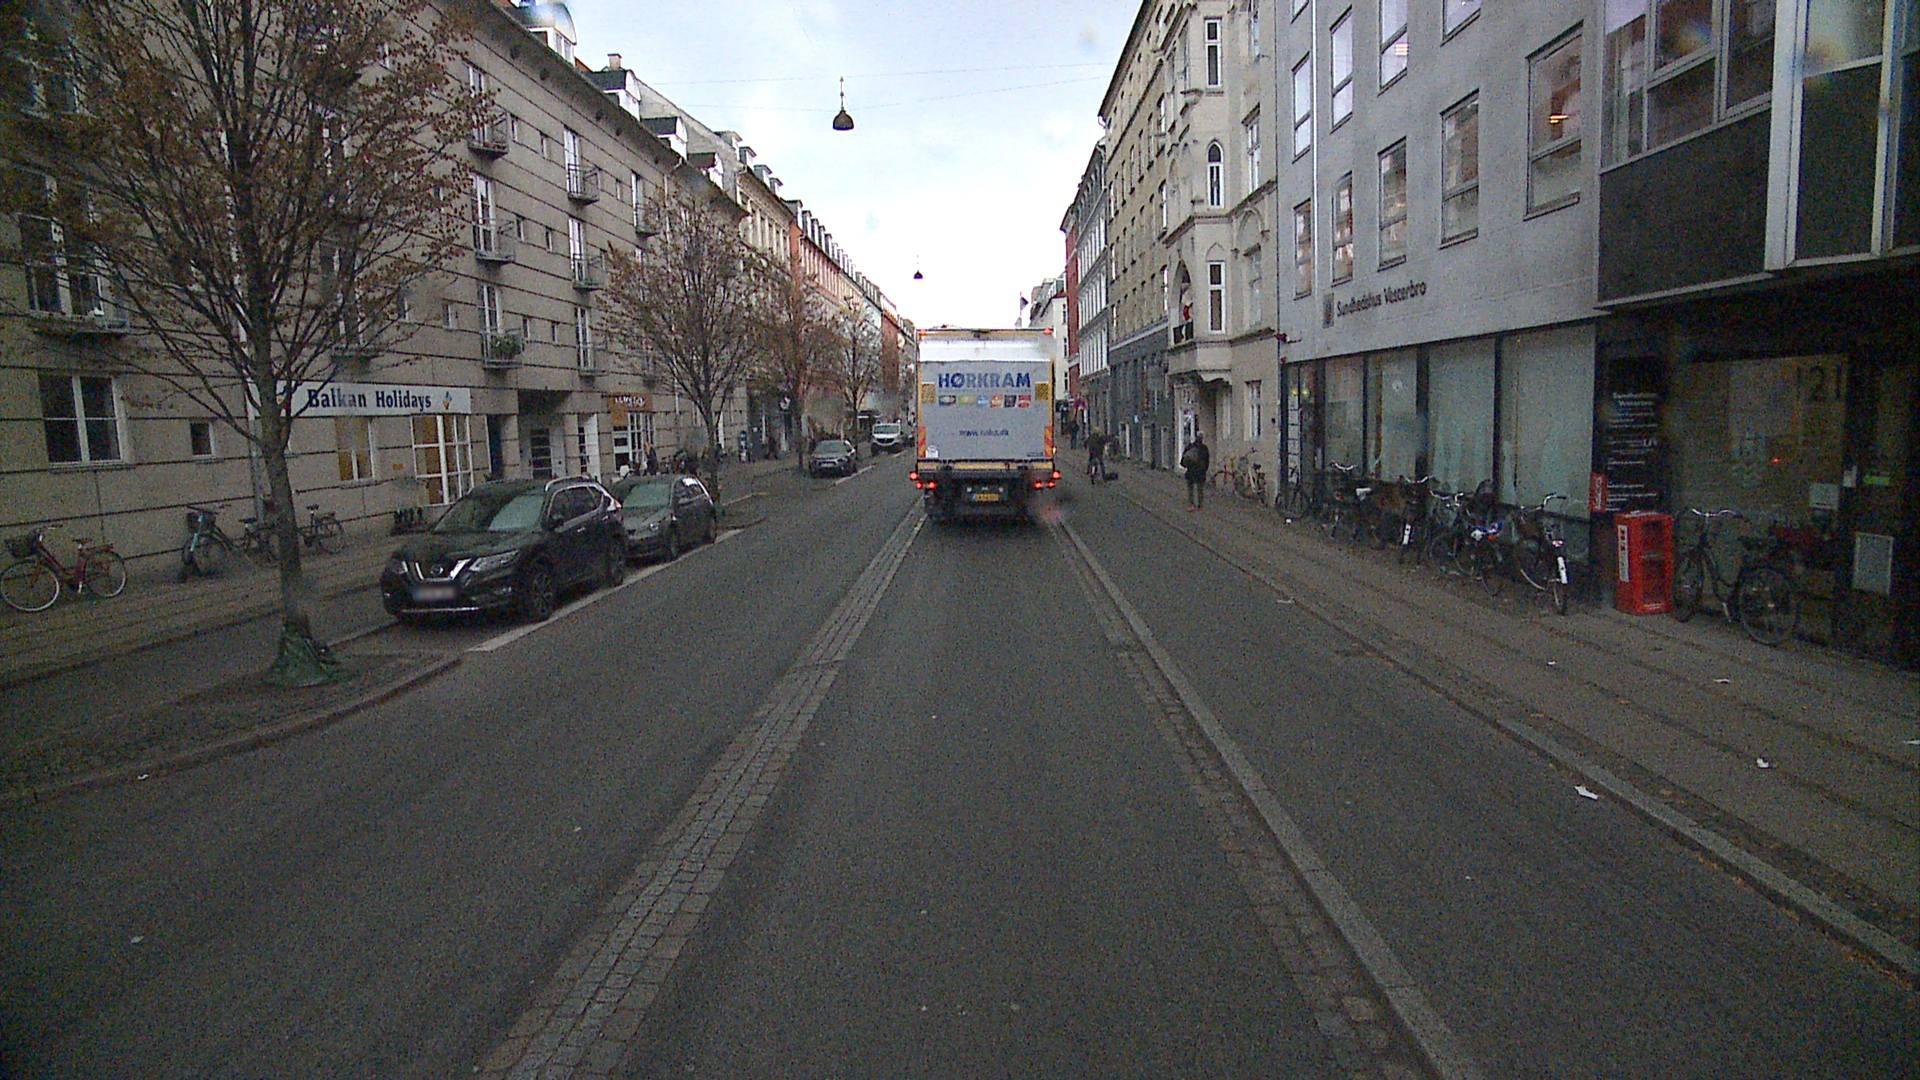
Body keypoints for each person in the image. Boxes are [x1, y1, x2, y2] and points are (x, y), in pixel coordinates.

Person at [1180, 430, 1210, 510]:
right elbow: (1207, 461)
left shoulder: (1190, 447)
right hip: (1200, 472)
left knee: (1190, 489)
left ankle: (1191, 504)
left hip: (1191, 471)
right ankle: (1200, 505)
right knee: (1200, 489)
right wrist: (1204, 470)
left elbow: (1183, 459)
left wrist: (1185, 465)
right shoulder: (1204, 448)